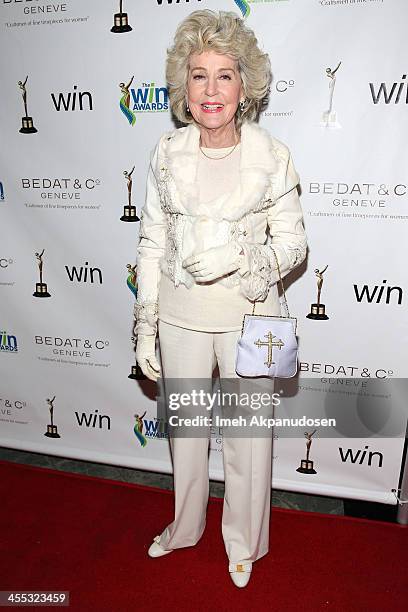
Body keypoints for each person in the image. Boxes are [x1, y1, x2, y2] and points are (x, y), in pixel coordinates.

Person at [133, 9, 307, 588]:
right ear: (184, 86)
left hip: (256, 320)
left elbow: (294, 245)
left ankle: (245, 544)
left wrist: (241, 258)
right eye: (199, 75)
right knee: (186, 435)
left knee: (250, 441)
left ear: (245, 85)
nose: (212, 89)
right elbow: (152, 240)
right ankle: (185, 527)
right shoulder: (165, 152)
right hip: (181, 318)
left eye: (225, 75)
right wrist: (145, 323)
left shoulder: (272, 155)